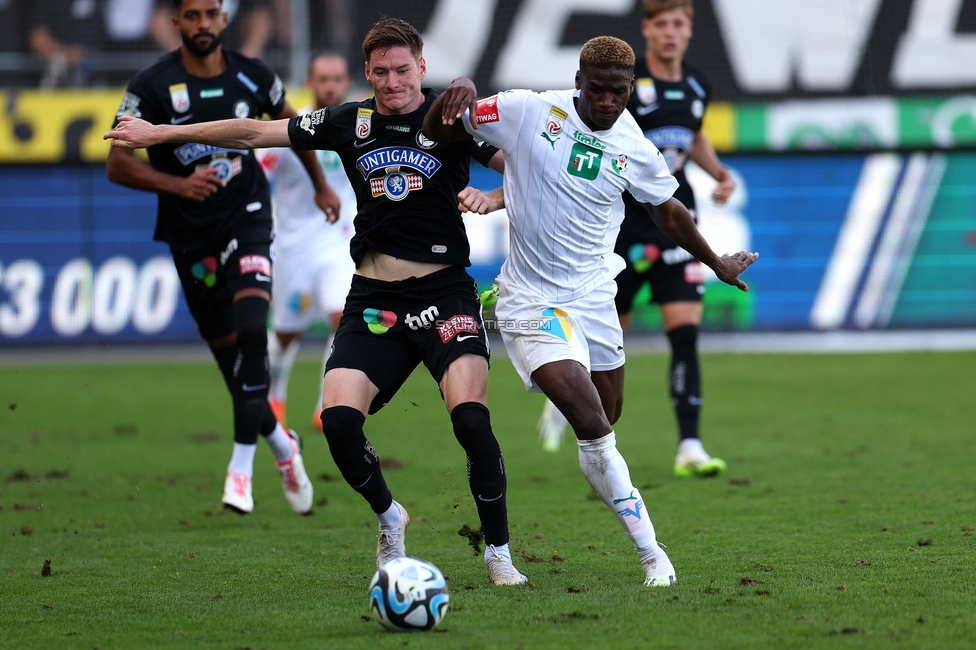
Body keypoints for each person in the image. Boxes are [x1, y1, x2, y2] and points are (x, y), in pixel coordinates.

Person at [105, 16, 528, 587]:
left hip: (444, 292)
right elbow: (254, 132)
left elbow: (528, 172)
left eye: (403, 70)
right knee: (337, 423)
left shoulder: (450, 120)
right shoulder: (348, 122)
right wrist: (160, 134)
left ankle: (498, 552)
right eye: (380, 72)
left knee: (472, 420)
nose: (392, 82)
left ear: (421, 68)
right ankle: (389, 516)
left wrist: (495, 196)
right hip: (374, 299)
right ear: (367, 73)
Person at [423, 35, 757, 585]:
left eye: (618, 92)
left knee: (607, 415)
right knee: (595, 425)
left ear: (630, 89)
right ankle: (653, 555)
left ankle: (595, 457)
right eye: (597, 89)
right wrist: (458, 91)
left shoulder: (634, 145)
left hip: (597, 296)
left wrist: (717, 263)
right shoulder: (527, 110)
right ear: (579, 80)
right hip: (530, 299)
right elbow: (439, 129)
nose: (607, 101)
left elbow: (668, 211)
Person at [105, 0, 334, 516]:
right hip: (189, 234)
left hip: (248, 215)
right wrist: (178, 184)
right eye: (193, 15)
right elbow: (117, 164)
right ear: (176, 22)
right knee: (233, 361)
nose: (204, 23)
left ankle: (240, 467)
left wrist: (321, 185)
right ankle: (282, 444)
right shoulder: (151, 85)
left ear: (224, 20)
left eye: (212, 13)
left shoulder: (255, 76)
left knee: (255, 328)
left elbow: (298, 131)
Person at [536, 1, 737, 480]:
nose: (671, 33)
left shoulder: (696, 84)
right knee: (608, 342)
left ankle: (690, 444)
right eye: (663, 24)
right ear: (647, 29)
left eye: (680, 24)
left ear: (690, 31)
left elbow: (693, 134)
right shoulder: (618, 78)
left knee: (685, 335)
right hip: (622, 225)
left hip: (674, 218)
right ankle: (567, 397)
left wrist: (718, 172)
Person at [256, 51, 356, 433]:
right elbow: (258, 175)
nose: (330, 85)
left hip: (338, 246)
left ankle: (326, 403)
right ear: (311, 83)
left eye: (337, 78)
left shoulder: (355, 129)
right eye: (323, 79)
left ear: (347, 82)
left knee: (342, 318)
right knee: (285, 332)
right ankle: (274, 393)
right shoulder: (289, 132)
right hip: (294, 249)